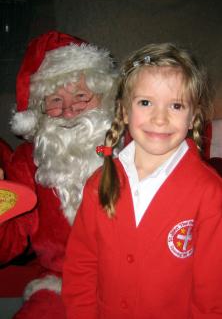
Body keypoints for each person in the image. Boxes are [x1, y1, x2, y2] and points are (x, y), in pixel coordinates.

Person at [62, 42, 222, 319]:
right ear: (124, 111)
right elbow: (82, 267)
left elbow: (212, 293)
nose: (159, 119)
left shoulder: (210, 193)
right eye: (145, 102)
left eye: (176, 105)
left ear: (193, 116)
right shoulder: (98, 184)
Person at [0, 30, 117, 318]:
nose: (68, 111)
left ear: (103, 99)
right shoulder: (29, 160)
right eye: (54, 100)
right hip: (60, 283)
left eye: (81, 96)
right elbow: (9, 242)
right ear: (40, 110)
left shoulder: (133, 146)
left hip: (130, 281)